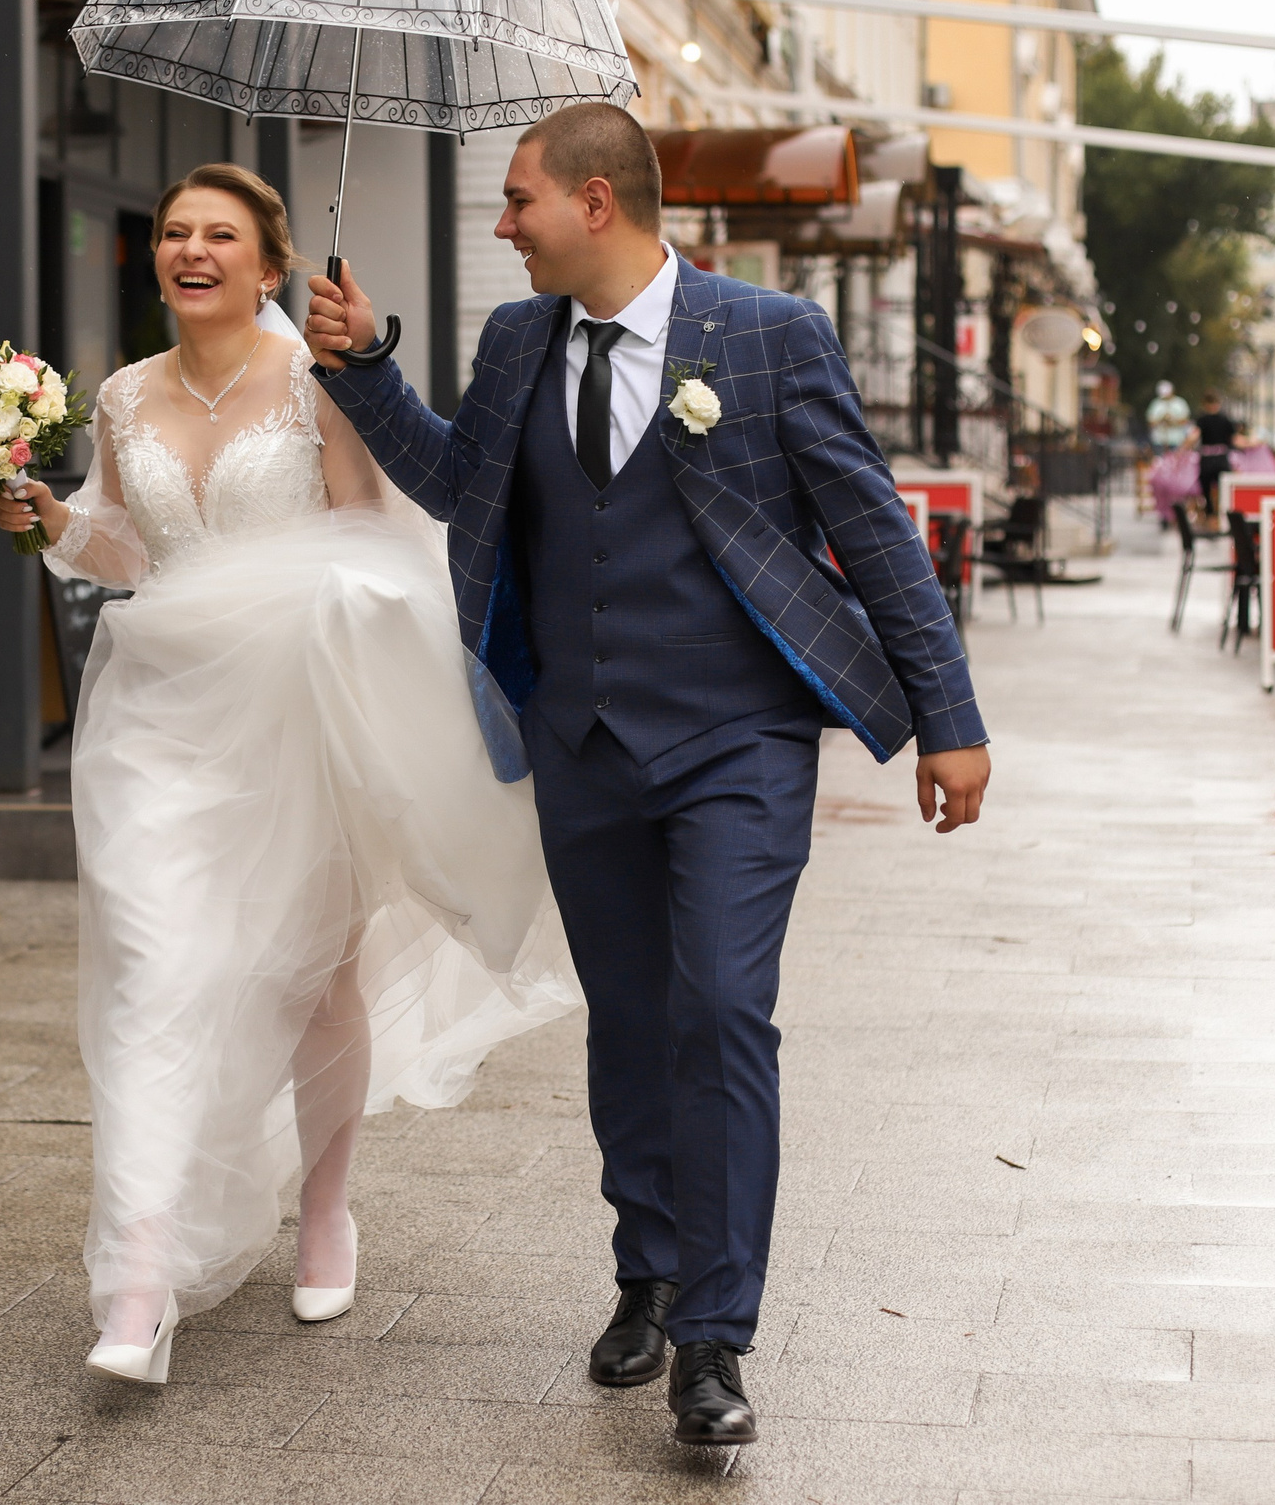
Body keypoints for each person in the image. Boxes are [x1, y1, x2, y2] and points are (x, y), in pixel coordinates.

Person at [305, 104, 989, 1449]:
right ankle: (650, 1269)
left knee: (723, 1009)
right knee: (627, 1014)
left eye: (517, 201)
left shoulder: (768, 337)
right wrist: (370, 365)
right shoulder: (517, 341)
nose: (501, 224)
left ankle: (717, 1338)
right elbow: (459, 483)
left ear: (598, 203)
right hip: (580, 740)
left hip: (737, 742)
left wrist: (949, 716)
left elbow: (870, 526)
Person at [0, 164, 577, 1387]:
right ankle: (137, 1282)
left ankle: (325, 1211)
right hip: (157, 718)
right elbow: (119, 542)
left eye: (219, 236)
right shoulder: (117, 397)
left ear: (270, 267)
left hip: (298, 710)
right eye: (171, 234)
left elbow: (373, 538)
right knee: (156, 972)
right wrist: (48, 517)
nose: (189, 251)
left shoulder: (317, 385)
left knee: (313, 980)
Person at [1192, 392, 1237, 528]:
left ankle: (1211, 516)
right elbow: (1235, 440)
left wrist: (1182, 449)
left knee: (1205, 489)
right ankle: (1221, 517)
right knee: (1224, 489)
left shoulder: (1202, 419)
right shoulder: (1225, 420)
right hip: (1222, 458)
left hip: (1206, 459)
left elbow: (1194, 436)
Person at [1145, 379, 1191, 453]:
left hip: (1176, 440)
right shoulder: (1156, 404)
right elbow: (1150, 422)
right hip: (1159, 440)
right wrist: (1161, 419)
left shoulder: (1180, 403)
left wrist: (1173, 420)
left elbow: (1185, 420)